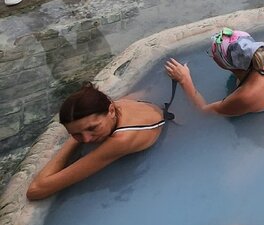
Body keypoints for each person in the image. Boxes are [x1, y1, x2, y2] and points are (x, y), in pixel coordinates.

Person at [26, 83, 166, 201]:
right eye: (76, 134)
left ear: (111, 111)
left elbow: (36, 190)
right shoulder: (115, 105)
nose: (86, 139)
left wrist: (72, 141)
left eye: (92, 128)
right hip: (153, 108)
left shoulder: (121, 140)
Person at [165, 28, 264, 116]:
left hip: (262, 112)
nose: (212, 56)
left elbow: (203, 111)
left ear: (223, 64)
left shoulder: (243, 97)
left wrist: (184, 79)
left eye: (213, 55)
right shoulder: (262, 56)